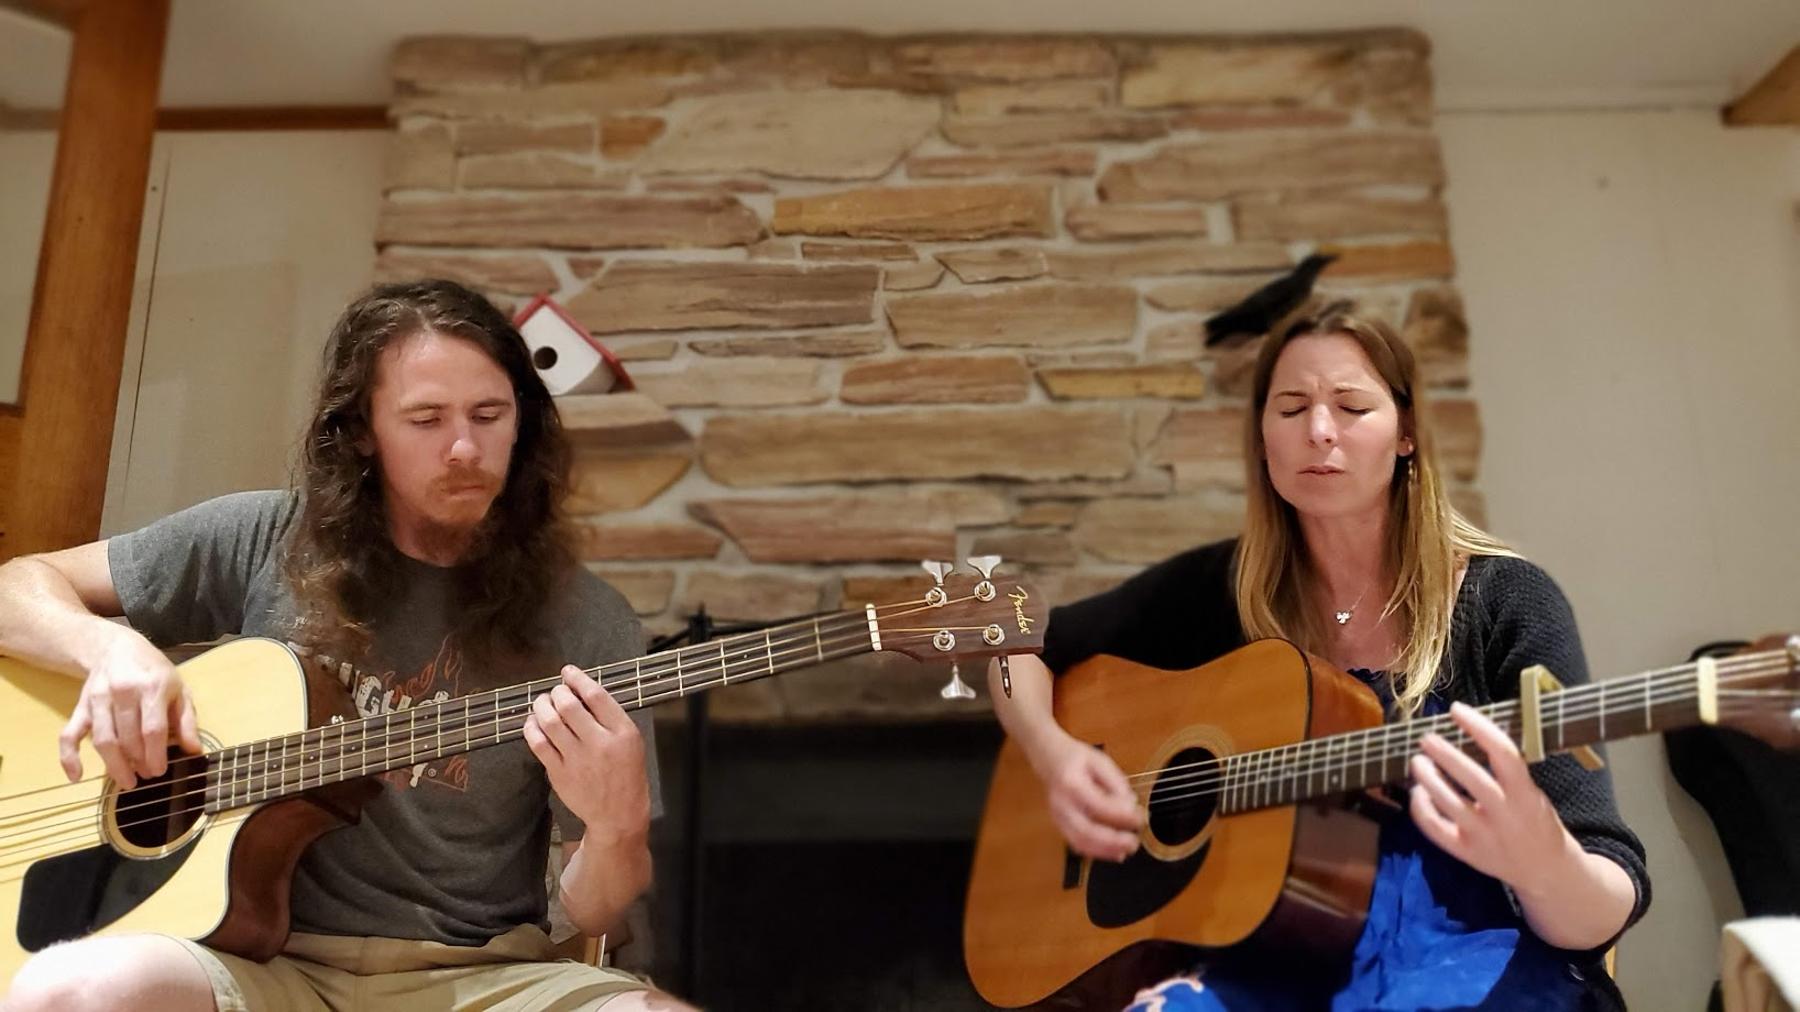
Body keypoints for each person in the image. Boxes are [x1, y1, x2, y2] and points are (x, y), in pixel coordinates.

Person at [0, 280, 694, 1012]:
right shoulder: (263, 537)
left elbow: (596, 916)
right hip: (253, 960)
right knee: (63, 991)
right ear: (362, 429)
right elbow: (17, 586)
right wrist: (109, 652)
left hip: (482, 978)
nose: (464, 447)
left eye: (489, 415)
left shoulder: (592, 622)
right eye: (425, 419)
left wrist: (616, 830)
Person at [988, 298, 1649, 1011]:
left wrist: (1542, 863)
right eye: (1292, 407)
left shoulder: (1506, 600)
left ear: (1407, 434)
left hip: (1470, 955)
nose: (1319, 432)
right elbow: (1009, 643)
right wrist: (1053, 755)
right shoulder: (1223, 591)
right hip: (1274, 964)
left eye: (1352, 407)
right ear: (1262, 437)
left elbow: (1606, 898)